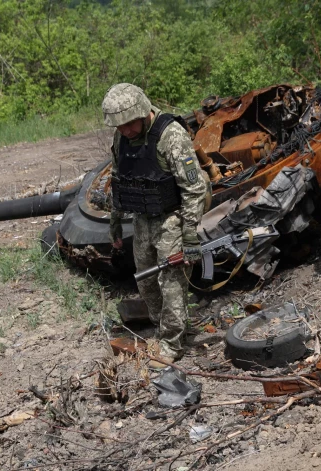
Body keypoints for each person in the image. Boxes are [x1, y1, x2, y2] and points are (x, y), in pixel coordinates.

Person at [102, 83, 208, 363]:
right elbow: (118, 177)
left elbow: (194, 188)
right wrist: (115, 221)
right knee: (147, 282)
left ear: (141, 111)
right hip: (141, 220)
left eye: (127, 124)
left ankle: (173, 344)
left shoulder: (171, 135)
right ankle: (163, 329)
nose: (124, 130)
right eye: (118, 125)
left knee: (171, 282)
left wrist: (189, 236)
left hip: (171, 218)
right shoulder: (121, 137)